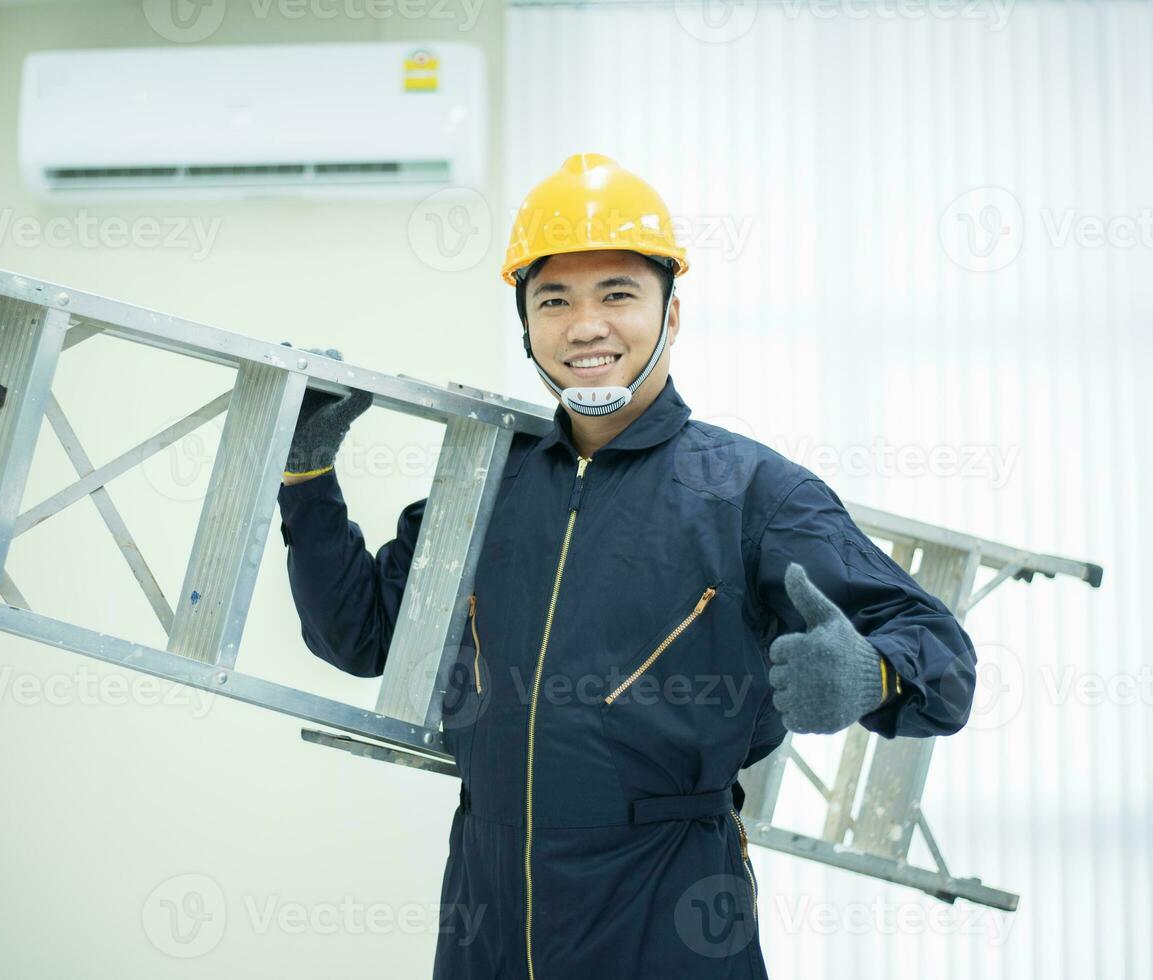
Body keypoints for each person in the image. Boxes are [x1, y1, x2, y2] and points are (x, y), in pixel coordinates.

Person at [275, 152, 977, 980]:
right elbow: (361, 636)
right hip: (487, 923)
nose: (585, 326)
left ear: (671, 315)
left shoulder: (752, 493)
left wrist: (877, 676)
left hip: (666, 920)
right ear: (527, 324)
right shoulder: (483, 481)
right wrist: (308, 473)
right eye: (555, 300)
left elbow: (944, 659)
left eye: (617, 295)